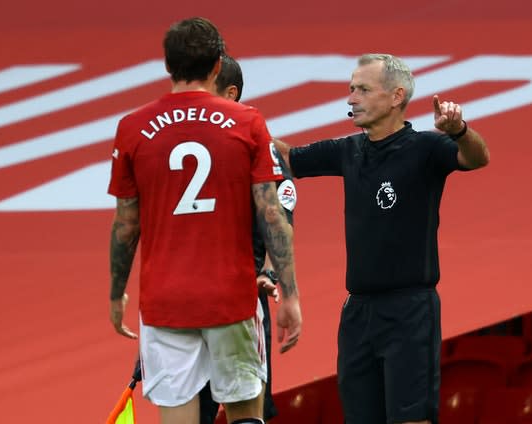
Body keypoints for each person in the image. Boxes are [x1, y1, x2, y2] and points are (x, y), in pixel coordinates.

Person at [274, 53, 490, 424]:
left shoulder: (425, 147)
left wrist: (458, 130)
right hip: (358, 311)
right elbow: (287, 158)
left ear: (396, 96)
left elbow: (476, 158)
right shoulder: (348, 150)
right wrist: (239, 128)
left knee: (411, 419)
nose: (351, 98)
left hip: (410, 310)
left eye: (362, 89)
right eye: (351, 89)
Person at [107, 17, 301, 424]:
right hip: (231, 295)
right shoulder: (248, 123)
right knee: (247, 411)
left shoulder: (132, 127)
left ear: (168, 66)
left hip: (165, 301)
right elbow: (272, 215)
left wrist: (116, 294)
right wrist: (291, 294)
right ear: (217, 66)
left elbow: (126, 225)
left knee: (179, 416)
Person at [198, 54, 297, 424]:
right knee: (192, 411)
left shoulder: (263, 149)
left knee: (249, 411)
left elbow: (280, 221)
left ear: (231, 92)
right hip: (187, 303)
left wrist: (271, 277)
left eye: (202, 88)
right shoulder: (182, 149)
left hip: (243, 301)